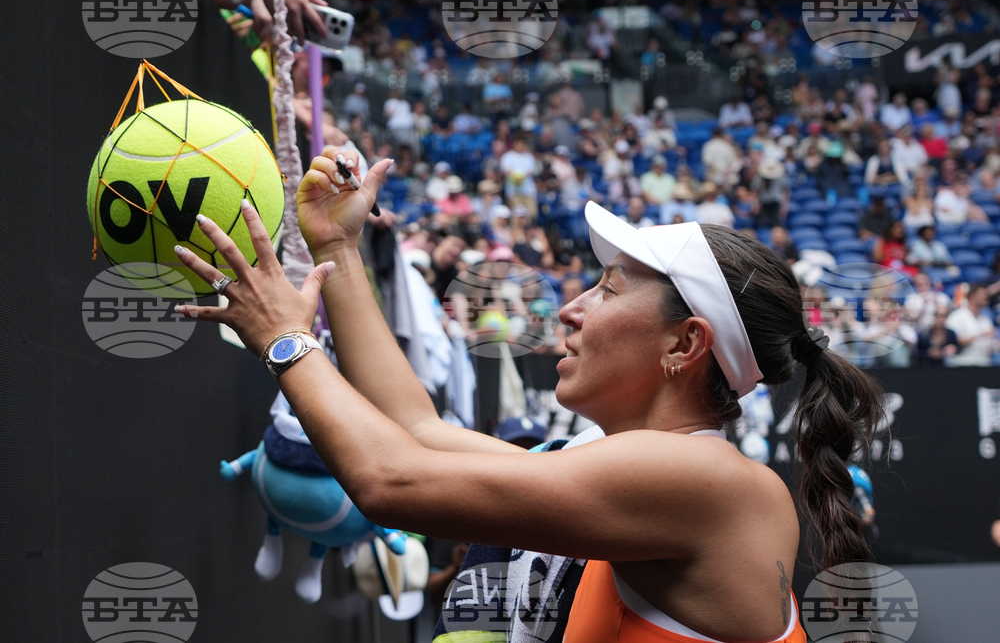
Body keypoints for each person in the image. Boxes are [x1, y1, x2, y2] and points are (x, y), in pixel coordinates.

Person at [174, 146, 887, 643]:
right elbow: (414, 430)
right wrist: (336, 249)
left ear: (683, 345)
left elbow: (390, 479)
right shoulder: (606, 463)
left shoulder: (713, 480)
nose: (571, 309)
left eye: (606, 290)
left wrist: (288, 341)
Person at [946, 285, 998, 366]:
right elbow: (956, 341)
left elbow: (989, 346)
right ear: (972, 297)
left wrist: (996, 346)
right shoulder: (957, 316)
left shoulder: (986, 320)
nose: (986, 298)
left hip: (984, 364)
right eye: (982, 295)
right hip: (962, 365)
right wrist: (981, 334)